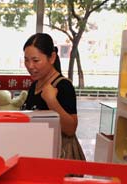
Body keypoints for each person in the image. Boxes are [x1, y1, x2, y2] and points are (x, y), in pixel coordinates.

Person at [21, 33, 85, 161]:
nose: (30, 66)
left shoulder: (63, 86)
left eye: (35, 60)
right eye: (26, 60)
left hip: (55, 159)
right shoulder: (35, 85)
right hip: (36, 154)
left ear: (52, 58)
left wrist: (52, 102)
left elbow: (71, 129)